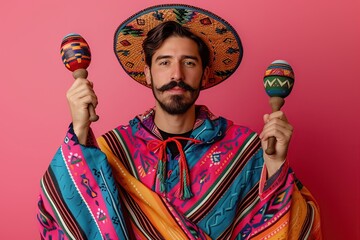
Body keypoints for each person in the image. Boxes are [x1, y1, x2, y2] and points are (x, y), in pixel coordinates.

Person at [37, 4, 322, 240]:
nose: (176, 74)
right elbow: (57, 215)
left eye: (189, 62)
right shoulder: (113, 150)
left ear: (205, 74)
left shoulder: (245, 149)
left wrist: (275, 166)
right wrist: (79, 130)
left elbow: (297, 226)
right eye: (164, 62)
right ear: (147, 73)